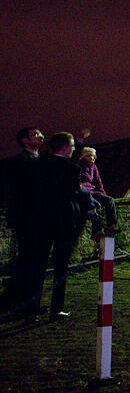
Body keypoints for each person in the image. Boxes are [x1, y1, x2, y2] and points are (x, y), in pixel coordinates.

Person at [27, 132, 86, 320]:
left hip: (40, 220)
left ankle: (32, 309)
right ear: (66, 147)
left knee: (38, 265)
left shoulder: (37, 165)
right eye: (72, 146)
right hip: (64, 220)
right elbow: (77, 194)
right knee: (61, 266)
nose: (74, 149)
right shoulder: (72, 169)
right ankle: (56, 308)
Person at [0, 126, 44, 315]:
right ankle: (23, 303)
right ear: (25, 141)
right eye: (35, 134)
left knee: (34, 260)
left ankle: (30, 301)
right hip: (26, 217)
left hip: (36, 216)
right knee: (28, 260)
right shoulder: (18, 162)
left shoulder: (40, 160)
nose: (41, 136)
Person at [77, 146, 119, 238]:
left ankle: (111, 225)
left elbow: (98, 181)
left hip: (93, 191)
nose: (92, 158)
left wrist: (102, 193)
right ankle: (96, 231)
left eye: (93, 156)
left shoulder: (94, 167)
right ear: (84, 156)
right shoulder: (79, 166)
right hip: (84, 192)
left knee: (109, 200)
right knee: (96, 205)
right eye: (89, 156)